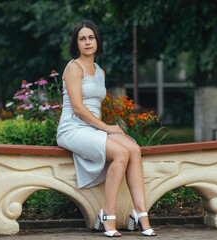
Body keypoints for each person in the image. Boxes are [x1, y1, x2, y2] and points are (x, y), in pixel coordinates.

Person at [56, 20, 156, 237]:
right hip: (72, 128)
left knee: (134, 149)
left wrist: (104, 129)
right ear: (76, 43)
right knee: (121, 152)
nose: (87, 42)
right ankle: (107, 215)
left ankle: (140, 213)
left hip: (93, 129)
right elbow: (78, 108)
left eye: (91, 37)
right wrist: (107, 128)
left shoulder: (99, 71)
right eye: (82, 38)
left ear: (97, 40)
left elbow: (95, 107)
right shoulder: (74, 67)